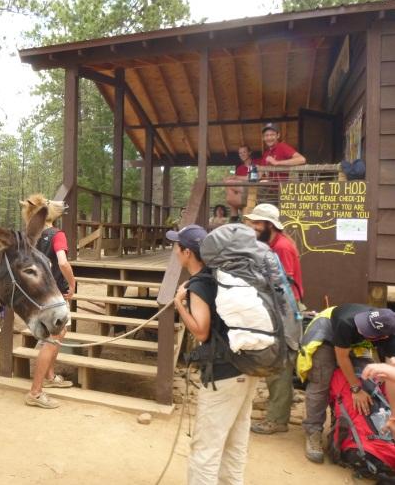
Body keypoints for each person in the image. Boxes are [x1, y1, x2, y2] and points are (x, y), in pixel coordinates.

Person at [168, 224, 258, 485]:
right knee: (235, 443)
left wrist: (179, 305)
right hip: (248, 365)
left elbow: (202, 331)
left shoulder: (199, 286)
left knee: (205, 448)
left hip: (223, 374)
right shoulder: (220, 276)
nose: (174, 250)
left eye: (176, 246)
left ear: (186, 253)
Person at [300, 304, 395, 463]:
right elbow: (342, 357)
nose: (360, 329)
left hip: (360, 342)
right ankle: (313, 432)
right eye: (363, 326)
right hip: (329, 331)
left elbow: (391, 375)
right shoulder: (351, 323)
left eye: (366, 331)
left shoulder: (390, 334)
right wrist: (356, 388)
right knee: (321, 380)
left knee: (369, 381)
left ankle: (342, 429)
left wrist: (393, 413)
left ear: (383, 337)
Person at [244, 203, 303, 437]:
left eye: (258, 223)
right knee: (278, 360)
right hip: (279, 308)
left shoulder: (282, 248)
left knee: (278, 361)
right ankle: (280, 405)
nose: (254, 226)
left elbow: (283, 285)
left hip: (283, 310)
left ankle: (277, 419)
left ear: (270, 225)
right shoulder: (273, 244)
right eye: (253, 222)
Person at [20, 194, 77, 409]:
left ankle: (50, 377)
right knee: (51, 340)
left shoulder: (30, 236)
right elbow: (63, 262)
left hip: (37, 293)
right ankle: (35, 392)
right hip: (55, 295)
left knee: (58, 334)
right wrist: (72, 283)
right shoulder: (57, 235)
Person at [225, 146, 256, 220]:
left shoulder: (256, 163)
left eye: (244, 152)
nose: (242, 154)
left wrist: (236, 177)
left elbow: (253, 178)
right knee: (228, 186)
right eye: (240, 153)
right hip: (243, 193)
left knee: (229, 183)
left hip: (254, 189)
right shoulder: (240, 168)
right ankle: (235, 218)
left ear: (249, 152)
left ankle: (234, 218)